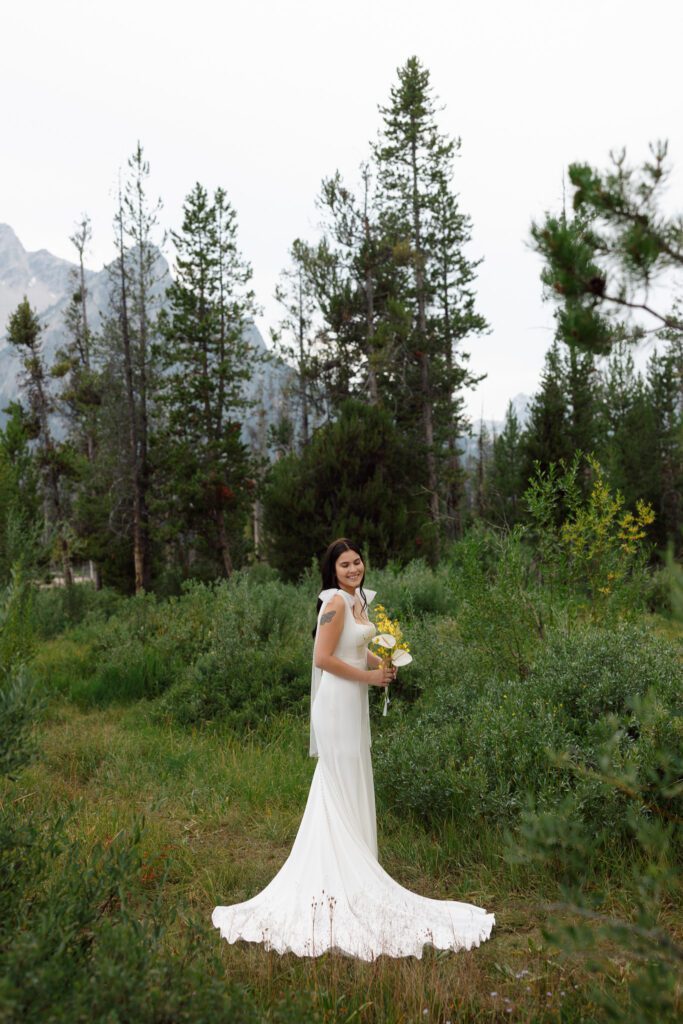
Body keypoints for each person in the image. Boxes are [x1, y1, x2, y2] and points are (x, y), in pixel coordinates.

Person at [212, 537, 495, 959]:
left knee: (354, 777)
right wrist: (368, 679)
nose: (353, 569)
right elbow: (323, 659)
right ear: (332, 569)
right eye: (344, 565)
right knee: (337, 781)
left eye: (357, 562)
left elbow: (355, 652)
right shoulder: (335, 604)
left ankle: (361, 869)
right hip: (336, 705)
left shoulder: (360, 601)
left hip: (355, 704)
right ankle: (337, 878)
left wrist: (382, 665)